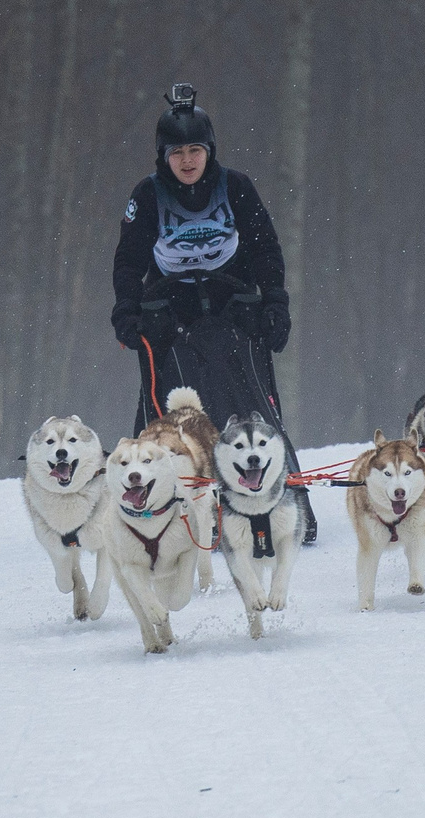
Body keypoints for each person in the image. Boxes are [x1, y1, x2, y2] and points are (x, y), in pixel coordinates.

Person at [111, 83, 314, 542]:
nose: (187, 161)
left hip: (232, 303)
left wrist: (275, 301)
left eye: (196, 151)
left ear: (210, 151)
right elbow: (129, 261)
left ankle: (284, 502)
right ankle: (160, 507)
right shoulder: (147, 196)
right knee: (169, 409)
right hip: (170, 311)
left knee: (250, 400)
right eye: (177, 152)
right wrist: (126, 310)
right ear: (163, 156)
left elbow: (265, 248)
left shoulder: (235, 187)